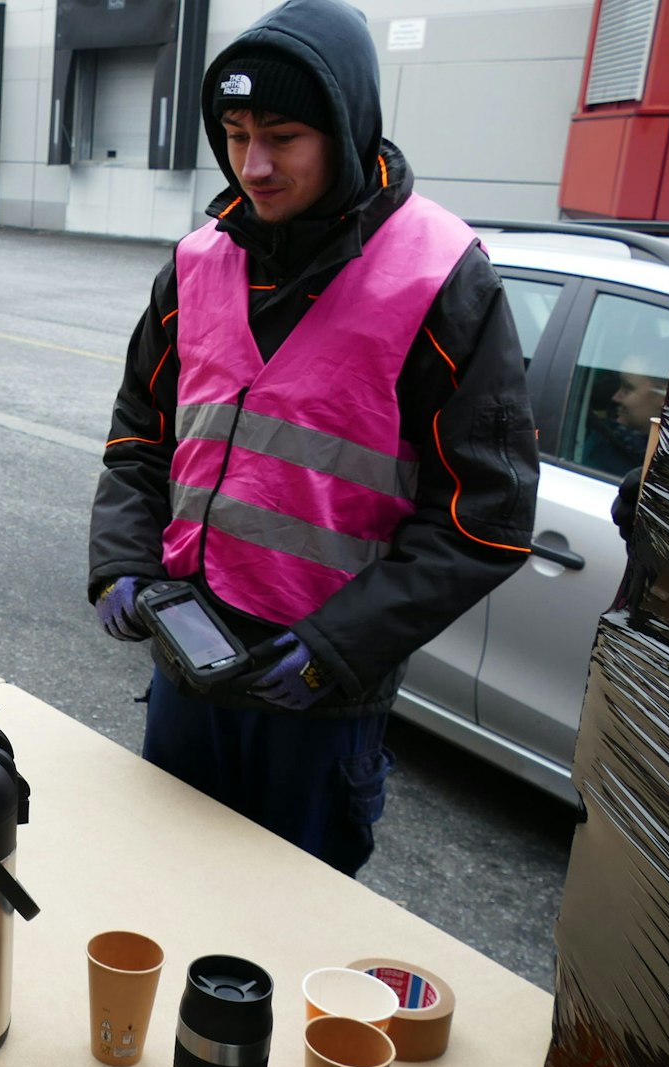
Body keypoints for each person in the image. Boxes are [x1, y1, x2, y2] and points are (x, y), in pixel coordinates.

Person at [87, 0, 539, 877]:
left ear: (345, 127)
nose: (252, 164)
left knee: (285, 947)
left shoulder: (442, 277)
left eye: (282, 136)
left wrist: (339, 650)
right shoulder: (195, 263)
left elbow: (484, 520)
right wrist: (120, 559)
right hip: (189, 663)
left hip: (319, 699)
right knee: (161, 894)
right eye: (234, 131)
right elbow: (141, 434)